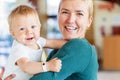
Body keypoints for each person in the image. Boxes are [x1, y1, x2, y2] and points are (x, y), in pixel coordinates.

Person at [0, 0, 99, 80]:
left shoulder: (80, 47)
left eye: (79, 14)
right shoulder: (63, 48)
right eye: (65, 12)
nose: (70, 19)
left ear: (89, 21)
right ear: (58, 15)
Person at [2, 5, 66, 80]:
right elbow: (26, 66)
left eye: (33, 27)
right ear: (13, 33)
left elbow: (53, 43)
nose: (29, 32)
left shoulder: (38, 41)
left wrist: (73, 43)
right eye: (22, 29)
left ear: (39, 27)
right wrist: (48, 66)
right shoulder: (19, 48)